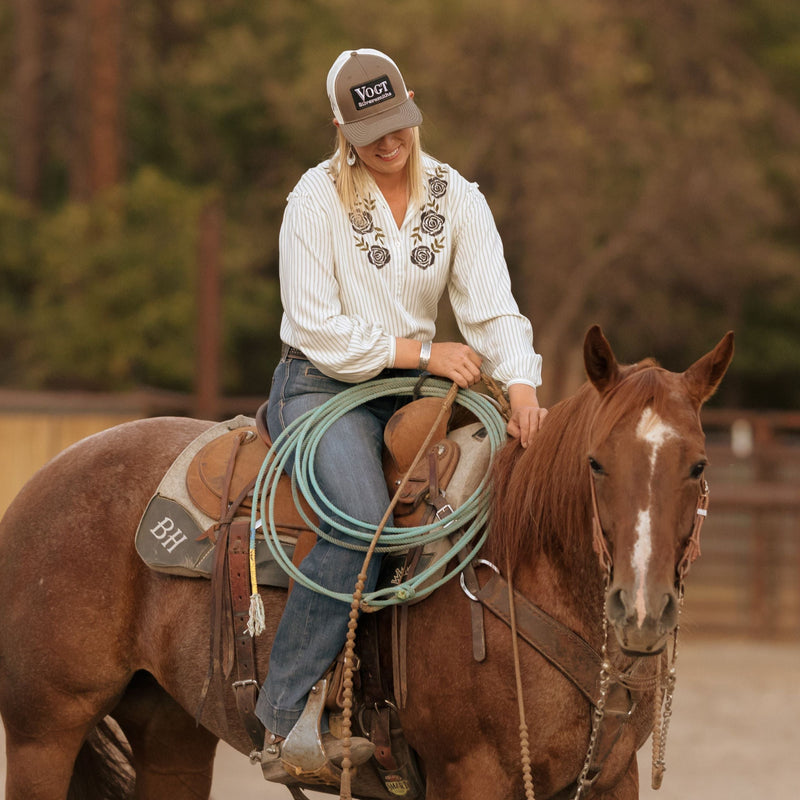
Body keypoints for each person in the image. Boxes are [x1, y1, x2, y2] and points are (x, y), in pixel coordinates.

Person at [256, 48, 547, 781]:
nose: (390, 142)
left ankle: (430, 702)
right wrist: (421, 354)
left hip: (413, 389)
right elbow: (315, 323)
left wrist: (520, 384)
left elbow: (491, 308)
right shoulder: (313, 200)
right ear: (340, 128)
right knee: (364, 518)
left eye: (399, 123)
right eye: (371, 130)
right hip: (320, 384)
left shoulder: (456, 195)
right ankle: (285, 715)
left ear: (413, 104)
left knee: (488, 501)